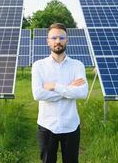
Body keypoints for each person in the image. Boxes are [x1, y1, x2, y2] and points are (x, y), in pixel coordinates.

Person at [32, 23, 88, 163]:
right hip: (47, 125)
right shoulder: (39, 66)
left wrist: (54, 86)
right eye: (54, 37)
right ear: (48, 41)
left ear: (67, 40)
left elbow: (82, 93)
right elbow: (38, 94)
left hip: (71, 125)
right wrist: (69, 89)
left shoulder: (77, 65)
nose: (58, 41)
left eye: (61, 37)